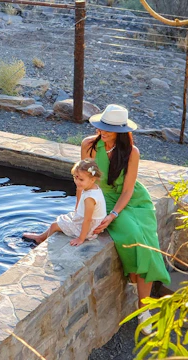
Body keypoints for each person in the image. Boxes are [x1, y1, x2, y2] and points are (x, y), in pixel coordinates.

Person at [82, 104, 171, 336]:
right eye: (101, 127)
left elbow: (128, 190)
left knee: (145, 240)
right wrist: (81, 213)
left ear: (121, 130)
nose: (103, 132)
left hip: (130, 201)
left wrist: (113, 215)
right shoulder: (89, 145)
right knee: (132, 236)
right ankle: (136, 278)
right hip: (102, 198)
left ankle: (144, 308)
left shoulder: (132, 152)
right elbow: (83, 183)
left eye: (109, 129)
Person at [22, 158, 107, 247]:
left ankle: (41, 241)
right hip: (90, 222)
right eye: (75, 178)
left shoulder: (89, 198)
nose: (77, 182)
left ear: (92, 179)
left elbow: (88, 220)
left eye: (81, 180)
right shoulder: (94, 188)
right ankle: (41, 236)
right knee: (62, 218)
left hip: (88, 229)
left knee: (54, 225)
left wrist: (81, 238)